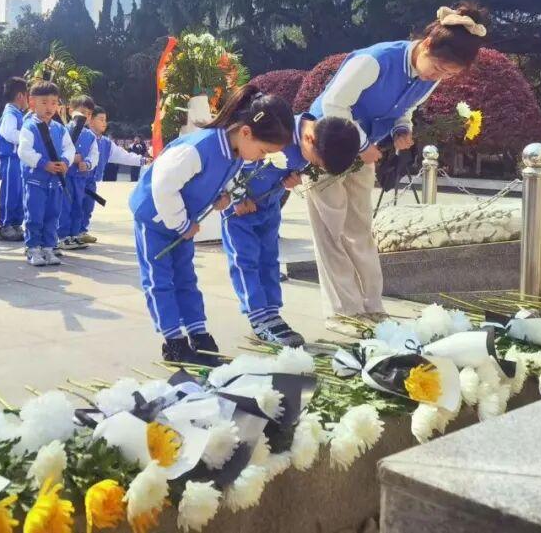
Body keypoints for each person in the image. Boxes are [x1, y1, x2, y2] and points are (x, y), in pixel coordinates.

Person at [308, 2, 490, 324]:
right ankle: (344, 312)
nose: (437, 77)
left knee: (360, 230)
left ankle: (372, 306)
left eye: (448, 75)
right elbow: (334, 104)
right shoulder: (375, 61)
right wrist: (363, 144)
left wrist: (401, 129)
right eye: (438, 68)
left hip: (363, 152)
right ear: (427, 44)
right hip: (326, 147)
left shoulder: (430, 75)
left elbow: (405, 107)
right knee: (331, 231)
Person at [129, 84, 295, 364]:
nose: (262, 158)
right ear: (246, 132)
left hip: (184, 223)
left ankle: (198, 332)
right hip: (155, 220)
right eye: (263, 150)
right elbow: (163, 187)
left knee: (186, 278)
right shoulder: (197, 148)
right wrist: (182, 224)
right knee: (160, 281)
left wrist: (223, 198)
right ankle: (173, 341)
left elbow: (221, 180)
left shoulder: (235, 152)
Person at [221, 113, 360, 347]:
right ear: (309, 139)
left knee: (269, 259)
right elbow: (233, 159)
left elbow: (292, 166)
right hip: (241, 210)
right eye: (316, 161)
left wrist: (290, 179)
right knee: (245, 261)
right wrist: (237, 197)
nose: (314, 165)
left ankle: (272, 314)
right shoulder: (275, 129)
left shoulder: (318, 139)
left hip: (269, 204)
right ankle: (258, 318)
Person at [18, 81, 76, 267]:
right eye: (44, 102)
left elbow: (69, 148)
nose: (49, 107)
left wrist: (65, 162)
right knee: (34, 214)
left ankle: (49, 247)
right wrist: (44, 164)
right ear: (32, 103)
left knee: (53, 214)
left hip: (55, 182)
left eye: (53, 102)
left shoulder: (60, 128)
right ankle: (33, 248)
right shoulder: (29, 127)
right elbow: (24, 151)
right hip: (36, 181)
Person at [78, 106, 147, 244]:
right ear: (90, 120)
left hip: (91, 181)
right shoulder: (82, 137)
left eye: (105, 120)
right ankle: (68, 234)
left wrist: (143, 160)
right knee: (75, 206)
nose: (104, 123)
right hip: (78, 179)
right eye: (101, 119)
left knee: (87, 206)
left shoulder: (106, 142)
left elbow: (123, 156)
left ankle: (81, 231)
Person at [57, 94, 99, 251]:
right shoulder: (63, 130)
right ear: (71, 111)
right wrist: (71, 159)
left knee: (78, 206)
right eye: (82, 112)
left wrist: (87, 164)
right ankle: (62, 236)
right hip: (66, 176)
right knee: (65, 206)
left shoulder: (90, 136)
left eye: (89, 114)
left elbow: (94, 155)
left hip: (81, 178)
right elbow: (58, 151)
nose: (85, 116)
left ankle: (74, 234)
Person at [0, 77, 28, 242]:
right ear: (20, 96)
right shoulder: (10, 113)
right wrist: (28, 138)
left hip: (19, 159)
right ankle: (5, 225)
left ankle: (16, 223)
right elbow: (8, 133)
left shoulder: (18, 114)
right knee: (10, 192)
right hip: (10, 159)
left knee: (19, 192)